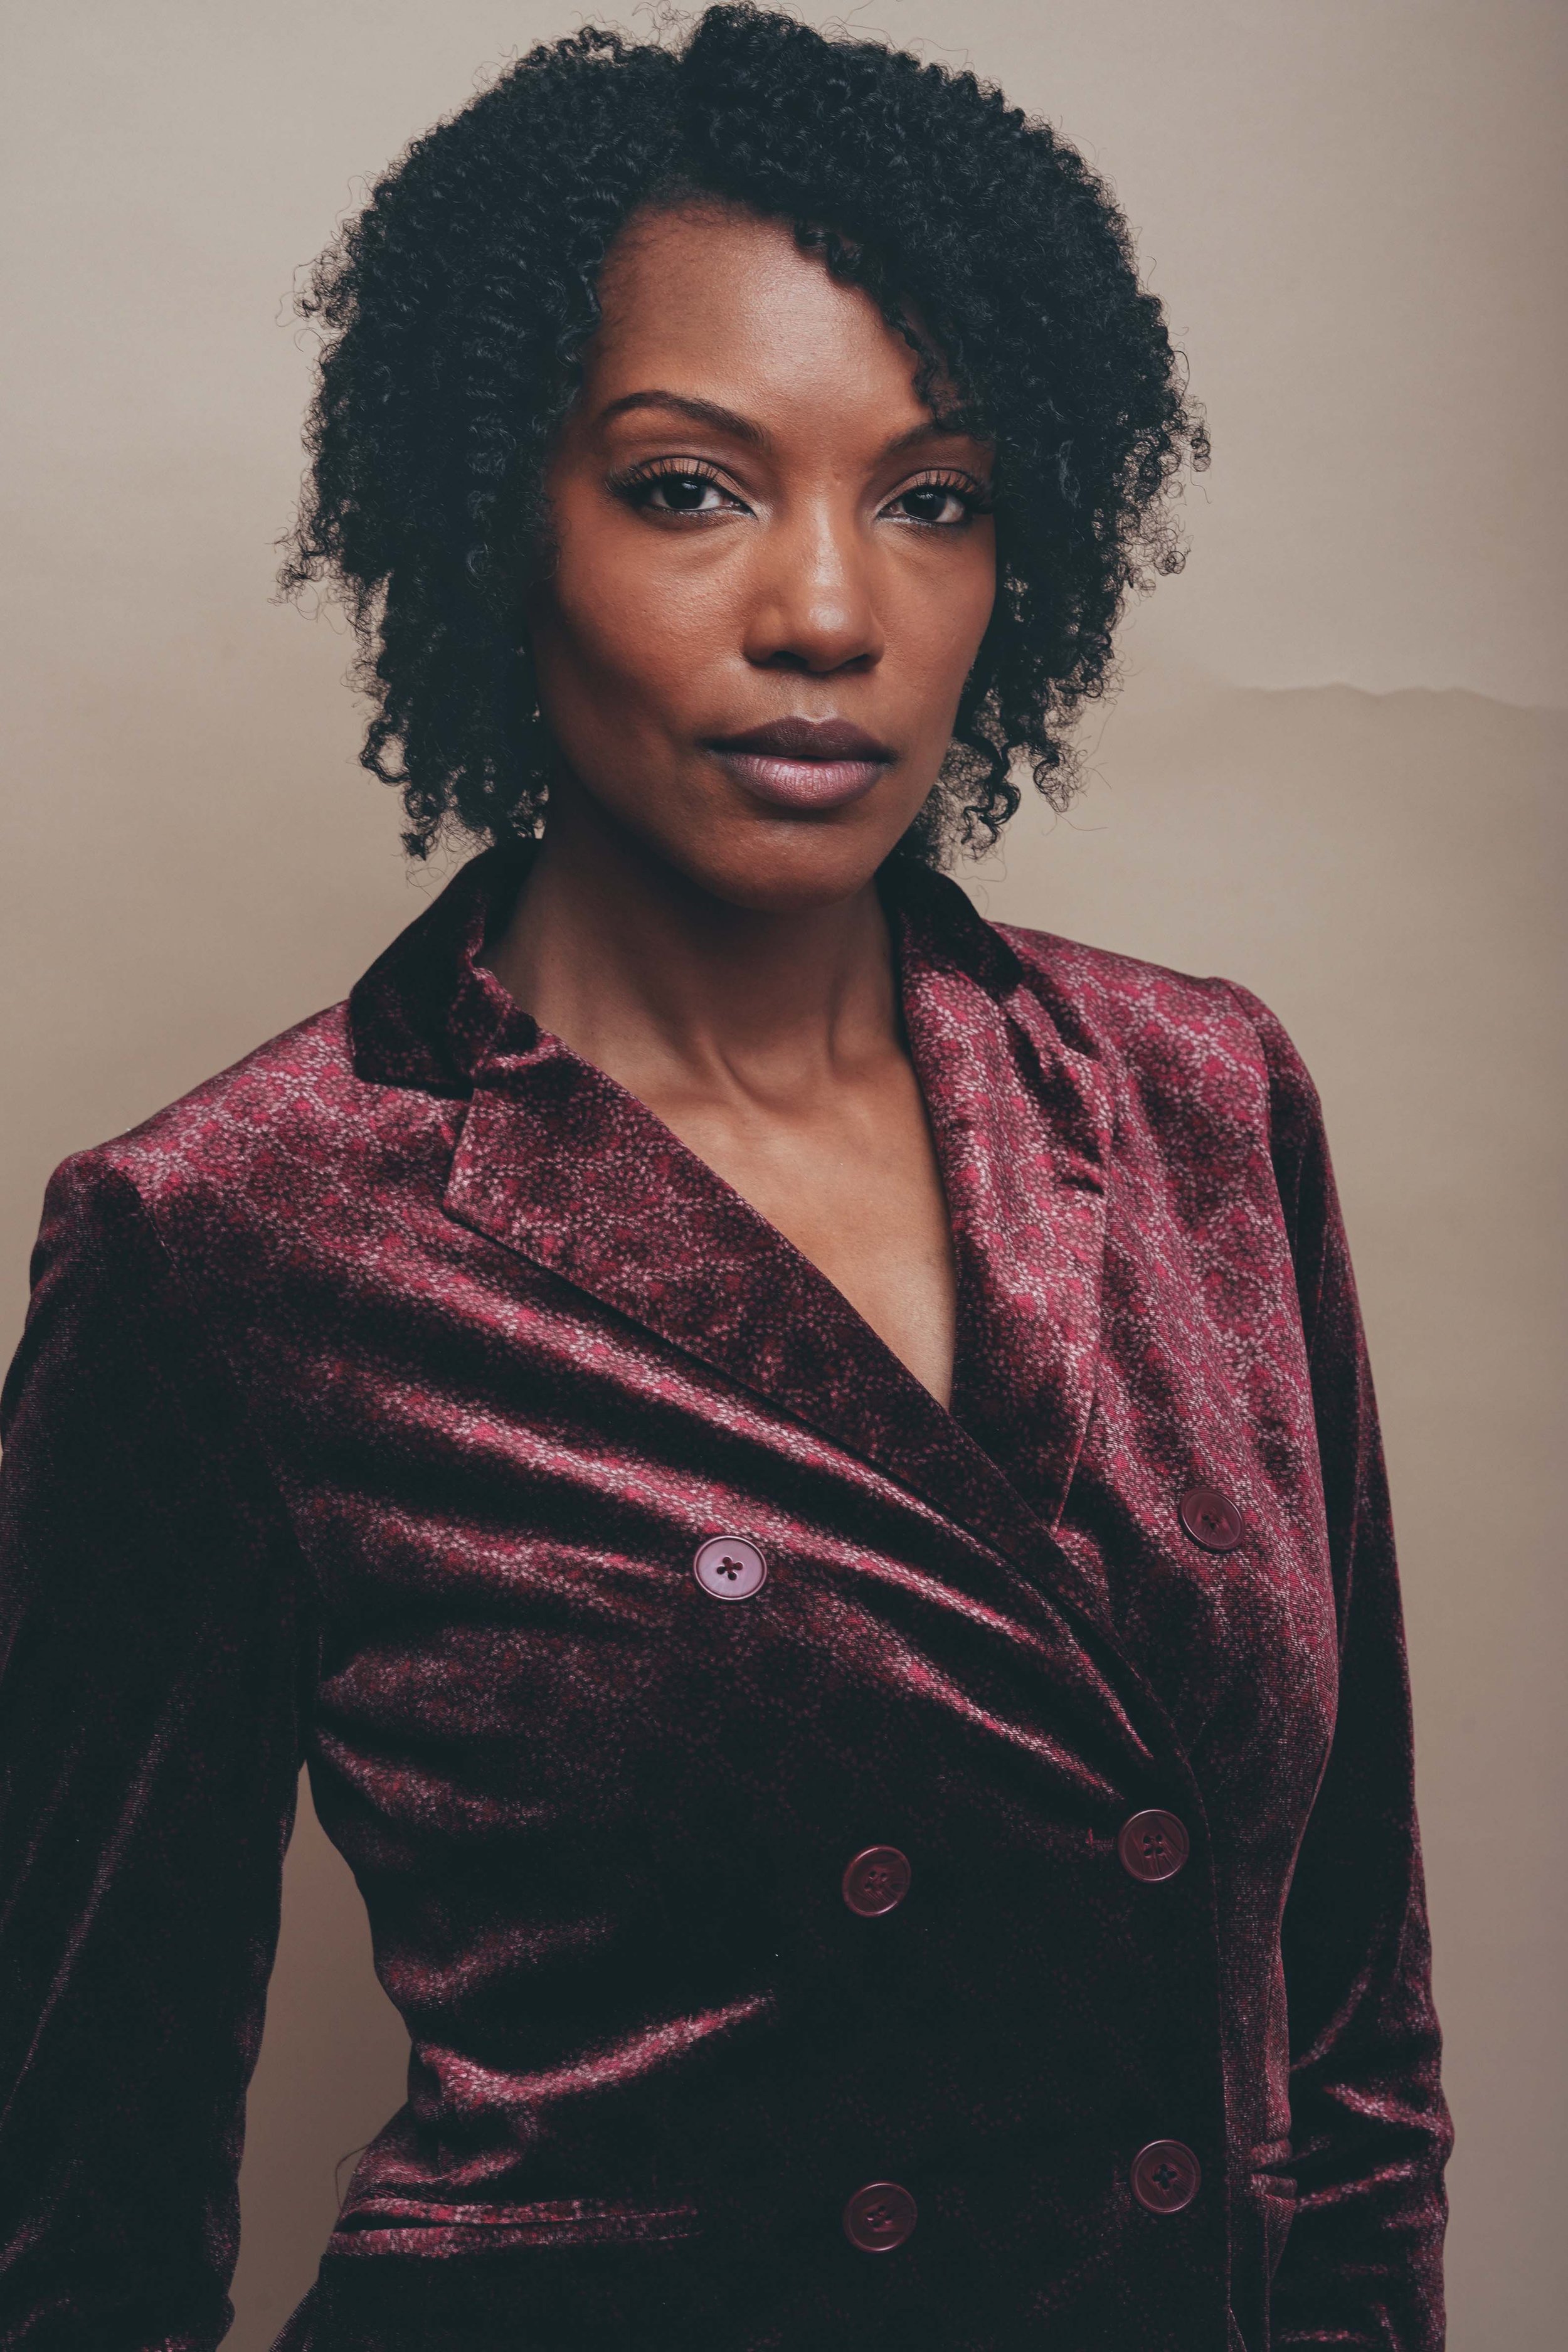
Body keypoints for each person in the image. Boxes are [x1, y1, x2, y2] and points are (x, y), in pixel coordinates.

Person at [0, 8, 1451, 2348]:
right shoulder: (236, 1234)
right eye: (689, 488)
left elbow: (1351, 2054)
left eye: (932, 496)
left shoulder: (1196, 1098)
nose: (828, 614)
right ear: (498, 520)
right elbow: (71, 2217)